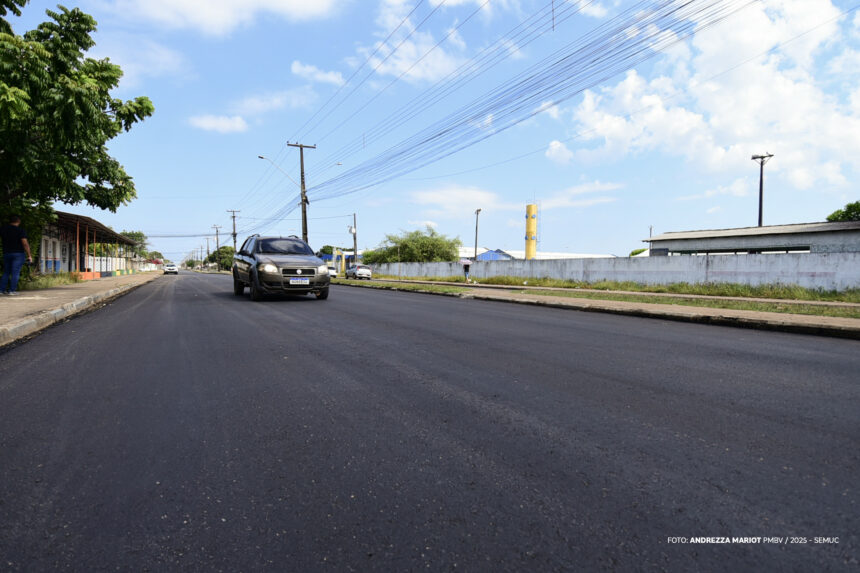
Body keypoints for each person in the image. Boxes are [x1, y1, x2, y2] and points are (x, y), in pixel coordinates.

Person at [1, 214, 34, 295]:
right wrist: (29, 255)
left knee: (6, 272)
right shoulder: (20, 230)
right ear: (19, 221)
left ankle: (1, 290)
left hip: (6, 253)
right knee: (15, 272)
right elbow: (25, 243)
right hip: (18, 254)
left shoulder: (3, 229)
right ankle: (12, 291)